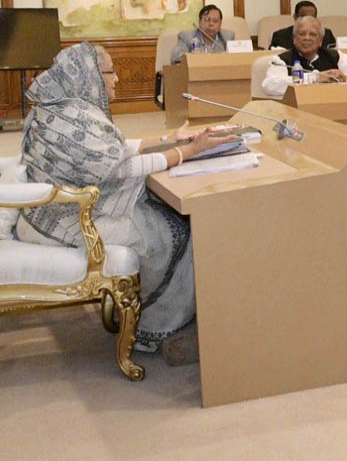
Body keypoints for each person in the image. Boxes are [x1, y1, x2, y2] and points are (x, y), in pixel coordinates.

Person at [17, 42, 238, 363]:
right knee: (175, 229)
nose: (116, 79)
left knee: (165, 212)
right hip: (70, 224)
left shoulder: (61, 106)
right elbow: (121, 167)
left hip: (46, 215)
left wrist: (167, 140)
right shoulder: (75, 119)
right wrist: (188, 151)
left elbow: (112, 150)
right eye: (109, 72)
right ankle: (156, 327)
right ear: (89, 76)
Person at [262, 16, 347, 97]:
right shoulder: (281, 60)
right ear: (294, 39)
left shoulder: (337, 56)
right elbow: (270, 85)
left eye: (313, 34)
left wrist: (345, 78)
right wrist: (315, 78)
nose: (307, 38)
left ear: (320, 41)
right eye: (302, 34)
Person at [170, 4, 235, 62]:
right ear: (199, 22)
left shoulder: (228, 37)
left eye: (215, 21)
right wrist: (196, 56)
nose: (211, 24)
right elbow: (176, 57)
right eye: (207, 20)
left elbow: (235, 58)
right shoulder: (187, 36)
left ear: (220, 24)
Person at [270, 0, 336, 50]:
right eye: (303, 17)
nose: (307, 21)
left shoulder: (326, 34)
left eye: (311, 17)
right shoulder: (280, 36)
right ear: (295, 17)